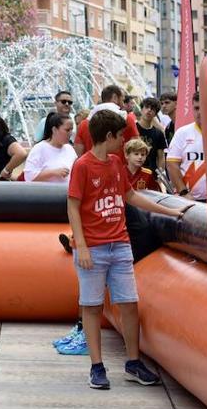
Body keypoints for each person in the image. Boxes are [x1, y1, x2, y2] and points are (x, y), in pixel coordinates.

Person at [68, 109, 188, 390]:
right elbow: (73, 205)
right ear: (108, 136)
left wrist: (167, 210)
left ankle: (133, 363)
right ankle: (97, 367)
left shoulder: (115, 164)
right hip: (93, 248)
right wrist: (82, 246)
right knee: (92, 306)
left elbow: (130, 195)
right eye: (120, 136)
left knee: (130, 304)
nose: (124, 141)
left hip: (119, 244)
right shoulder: (83, 166)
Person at [73, 85, 139, 157]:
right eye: (122, 100)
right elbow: (136, 147)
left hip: (90, 166)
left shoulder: (84, 124)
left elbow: (78, 153)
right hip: (119, 166)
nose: (123, 104)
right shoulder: (127, 119)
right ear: (115, 97)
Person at [166, 91, 207, 202]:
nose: (199, 112)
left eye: (203, 107)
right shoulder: (182, 133)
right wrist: (183, 192)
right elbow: (172, 164)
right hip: (189, 200)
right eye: (196, 108)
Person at [23, 114, 77, 183]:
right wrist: (53, 172)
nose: (70, 133)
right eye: (67, 130)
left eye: (71, 130)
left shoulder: (70, 149)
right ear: (54, 130)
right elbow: (28, 176)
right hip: (46, 192)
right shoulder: (40, 148)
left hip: (66, 192)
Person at [136, 97, 168, 178]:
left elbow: (161, 157)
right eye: (146, 107)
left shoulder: (158, 133)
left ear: (155, 114)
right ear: (141, 109)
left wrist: (160, 176)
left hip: (151, 175)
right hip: (134, 173)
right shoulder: (133, 128)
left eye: (152, 109)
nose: (149, 110)